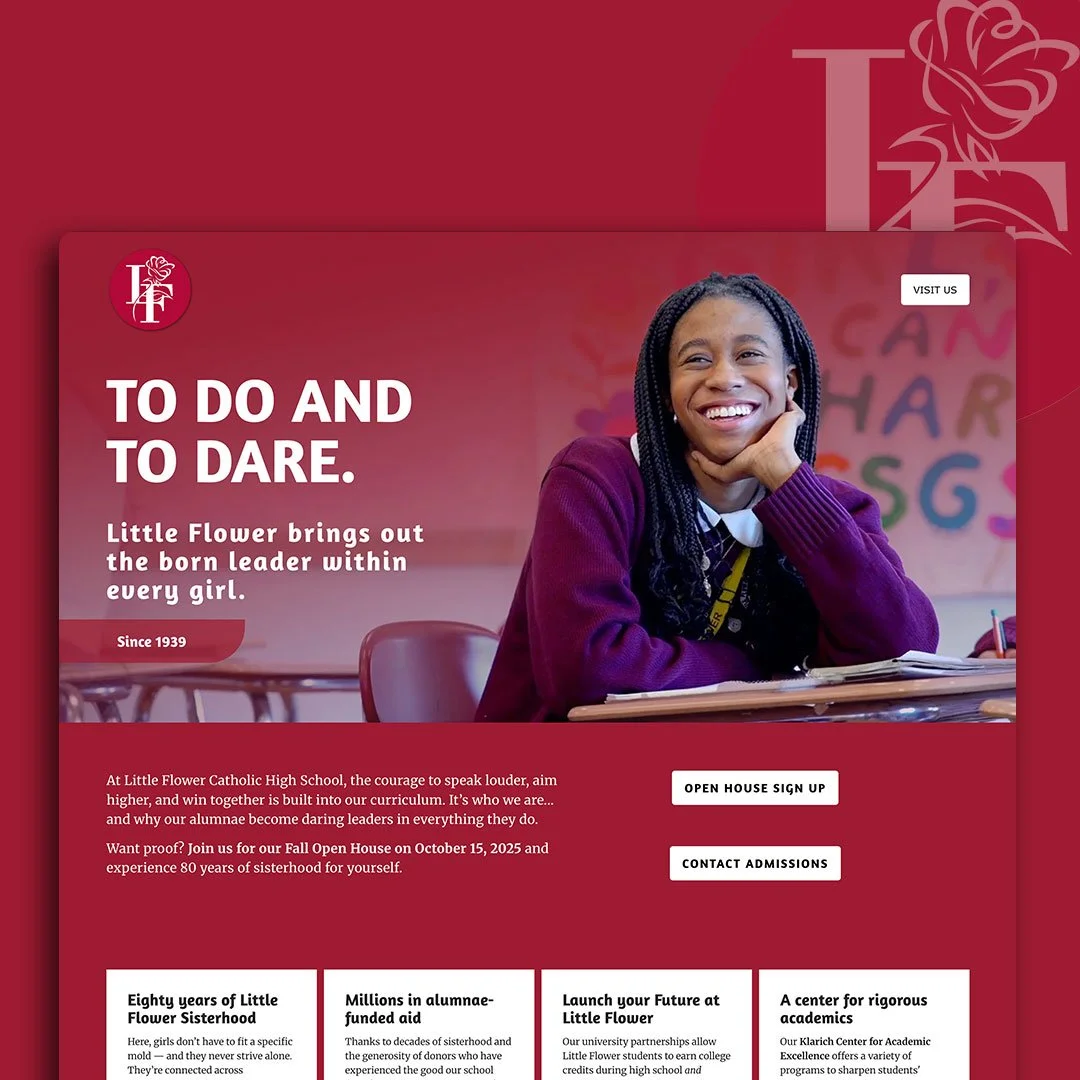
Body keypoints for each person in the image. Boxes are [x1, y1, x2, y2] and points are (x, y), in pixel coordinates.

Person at [476, 272, 939, 722]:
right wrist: (752, 668)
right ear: (665, 392)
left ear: (791, 382)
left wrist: (787, 480)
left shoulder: (834, 507)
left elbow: (904, 649)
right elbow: (588, 670)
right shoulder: (593, 479)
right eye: (696, 360)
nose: (724, 377)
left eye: (750, 354)